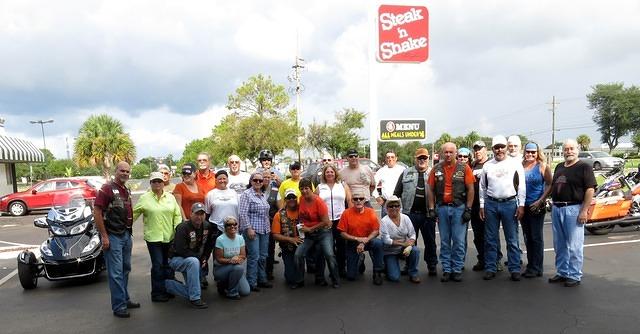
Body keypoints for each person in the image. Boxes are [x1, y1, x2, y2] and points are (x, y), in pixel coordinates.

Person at [549, 139, 596, 287]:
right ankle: (562, 272)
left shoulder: (584, 167)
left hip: (574, 209)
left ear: (577, 149)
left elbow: (590, 189)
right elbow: (552, 186)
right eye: (566, 149)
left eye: (571, 148)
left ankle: (574, 275)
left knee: (574, 245)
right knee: (560, 244)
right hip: (557, 209)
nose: (569, 151)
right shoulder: (559, 167)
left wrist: (584, 210)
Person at [94, 162, 138, 318]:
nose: (125, 173)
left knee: (125, 269)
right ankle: (119, 306)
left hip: (126, 234)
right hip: (113, 235)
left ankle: (125, 299)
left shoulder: (126, 189)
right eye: (122, 171)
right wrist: (104, 236)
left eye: (127, 171)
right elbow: (97, 212)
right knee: (116, 273)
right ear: (115, 171)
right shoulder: (106, 189)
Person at [479, 135, 526, 281]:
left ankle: (514, 268)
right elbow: (482, 187)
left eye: (502, 147)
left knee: (512, 239)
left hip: (510, 203)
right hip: (491, 204)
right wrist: (482, 205)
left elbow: (522, 186)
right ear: (492, 149)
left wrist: (521, 205)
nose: (499, 150)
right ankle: (491, 267)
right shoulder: (488, 165)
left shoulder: (515, 163)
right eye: (496, 147)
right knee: (490, 238)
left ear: (506, 147)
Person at [428, 142, 475, 282]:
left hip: (459, 208)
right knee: (444, 241)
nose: (448, 154)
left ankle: (457, 268)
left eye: (451, 152)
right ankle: (447, 269)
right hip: (442, 208)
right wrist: (431, 208)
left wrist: (468, 208)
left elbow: (471, 189)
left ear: (455, 153)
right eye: (445, 152)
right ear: (441, 153)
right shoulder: (436, 169)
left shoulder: (464, 168)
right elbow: (430, 189)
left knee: (459, 241)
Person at [133, 172, 182, 302]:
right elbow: (134, 213)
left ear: (163, 183)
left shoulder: (170, 197)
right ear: (150, 183)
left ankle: (169, 289)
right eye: (154, 181)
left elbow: (177, 214)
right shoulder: (145, 198)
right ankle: (157, 293)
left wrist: (177, 228)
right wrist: (124, 227)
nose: (157, 184)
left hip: (169, 236)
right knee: (158, 265)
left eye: (159, 181)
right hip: (153, 238)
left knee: (169, 264)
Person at [393, 147, 438, 276]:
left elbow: (439, 194)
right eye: (420, 158)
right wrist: (395, 213)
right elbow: (397, 193)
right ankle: (409, 265)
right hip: (409, 214)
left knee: (430, 242)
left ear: (428, 158)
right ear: (415, 159)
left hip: (428, 214)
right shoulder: (406, 173)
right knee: (409, 242)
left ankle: (432, 265)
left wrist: (436, 211)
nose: (422, 160)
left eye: (424, 158)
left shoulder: (434, 172)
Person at [165, 203, 215, 309]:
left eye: (202, 214)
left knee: (193, 288)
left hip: (194, 259)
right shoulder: (183, 227)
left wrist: (205, 257)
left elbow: (209, 245)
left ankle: (168, 285)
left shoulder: (207, 226)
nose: (199, 217)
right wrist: (199, 258)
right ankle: (195, 299)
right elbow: (180, 249)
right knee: (193, 262)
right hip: (176, 258)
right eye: (196, 214)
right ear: (190, 214)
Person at [294, 178, 341, 288]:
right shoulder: (301, 199)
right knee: (298, 254)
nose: (304, 191)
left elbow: (326, 222)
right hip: (308, 234)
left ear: (311, 188)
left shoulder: (318, 201)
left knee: (329, 255)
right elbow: (301, 216)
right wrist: (301, 227)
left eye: (306, 188)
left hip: (323, 232)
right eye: (302, 189)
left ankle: (335, 279)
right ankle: (299, 280)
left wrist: (310, 229)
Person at [338, 189, 384, 285]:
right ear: (352, 201)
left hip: (368, 240)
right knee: (351, 276)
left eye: (361, 198)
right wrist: (357, 239)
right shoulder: (346, 213)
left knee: (378, 243)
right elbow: (342, 233)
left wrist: (364, 241)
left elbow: (376, 231)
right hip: (353, 242)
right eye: (356, 198)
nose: (358, 200)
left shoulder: (371, 212)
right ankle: (360, 258)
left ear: (364, 200)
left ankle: (377, 272)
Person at [521, 142, 553, 278]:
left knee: (536, 237)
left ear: (537, 153)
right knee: (527, 237)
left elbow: (550, 183)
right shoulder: (520, 165)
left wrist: (541, 200)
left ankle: (537, 267)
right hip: (523, 206)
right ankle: (531, 265)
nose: (530, 154)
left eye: (533, 152)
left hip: (536, 207)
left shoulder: (542, 166)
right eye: (528, 152)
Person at [202, 170, 239, 288]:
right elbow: (207, 214)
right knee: (219, 256)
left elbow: (238, 211)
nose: (222, 180)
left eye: (224, 178)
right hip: (217, 228)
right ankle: (220, 280)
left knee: (232, 253)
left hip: (233, 228)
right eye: (220, 178)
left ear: (228, 179)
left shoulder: (234, 193)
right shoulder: (210, 194)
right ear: (216, 180)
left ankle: (232, 278)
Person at [469, 141, 502, 272]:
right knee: (478, 236)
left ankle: (496, 260)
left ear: (485, 150)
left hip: (489, 204)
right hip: (475, 205)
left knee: (491, 235)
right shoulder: (472, 166)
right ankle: (482, 259)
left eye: (480, 149)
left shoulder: (491, 164)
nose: (477, 151)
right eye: (475, 149)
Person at [315, 164, 352, 278]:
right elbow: (314, 203)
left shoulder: (342, 185)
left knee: (341, 246)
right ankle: (332, 271)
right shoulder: (320, 187)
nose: (330, 174)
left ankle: (341, 269)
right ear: (324, 174)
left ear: (335, 173)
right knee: (328, 248)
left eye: (332, 172)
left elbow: (349, 201)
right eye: (327, 172)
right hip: (326, 222)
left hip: (340, 220)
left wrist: (349, 218)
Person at [238, 172, 272, 291]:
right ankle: (252, 282)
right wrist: (248, 228)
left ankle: (262, 279)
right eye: (255, 180)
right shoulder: (246, 195)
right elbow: (243, 213)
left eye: (260, 181)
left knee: (263, 256)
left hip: (265, 230)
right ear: (251, 181)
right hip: (253, 230)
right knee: (254, 256)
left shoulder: (262, 195)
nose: (258, 182)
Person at [379, 196, 421, 283]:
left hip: (403, 249)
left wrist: (410, 243)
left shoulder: (405, 218)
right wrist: (404, 244)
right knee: (394, 277)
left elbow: (412, 234)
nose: (394, 208)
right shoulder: (384, 221)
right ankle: (386, 266)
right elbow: (386, 240)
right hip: (390, 251)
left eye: (396, 205)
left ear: (400, 207)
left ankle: (413, 273)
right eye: (391, 206)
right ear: (387, 208)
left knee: (415, 250)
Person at [271, 188, 304, 288]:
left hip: (302, 245)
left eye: (293, 197)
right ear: (285, 199)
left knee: (299, 279)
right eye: (289, 198)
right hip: (287, 247)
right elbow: (275, 235)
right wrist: (291, 240)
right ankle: (291, 274)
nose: (291, 200)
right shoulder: (279, 215)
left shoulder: (302, 211)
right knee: (291, 279)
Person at [214, 216, 251, 299]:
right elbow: (219, 259)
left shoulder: (240, 238)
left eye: (235, 224)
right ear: (225, 227)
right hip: (221, 268)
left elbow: (243, 256)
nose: (232, 226)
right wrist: (231, 260)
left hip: (235, 267)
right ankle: (232, 292)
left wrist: (238, 258)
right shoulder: (220, 239)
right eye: (229, 224)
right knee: (239, 268)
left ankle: (226, 285)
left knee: (245, 291)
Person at [373, 150, 406, 217]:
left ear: (396, 158)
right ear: (385, 159)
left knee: (400, 225)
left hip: (399, 203)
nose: (390, 159)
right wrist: (377, 197)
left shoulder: (403, 170)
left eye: (392, 157)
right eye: (388, 157)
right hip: (386, 203)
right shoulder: (381, 171)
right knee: (386, 225)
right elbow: (372, 184)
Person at [262, 169, 280, 281]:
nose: (266, 179)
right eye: (264, 177)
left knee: (270, 248)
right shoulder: (254, 189)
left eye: (268, 177)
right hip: (258, 224)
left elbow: (280, 208)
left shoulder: (275, 190)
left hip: (271, 223)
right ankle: (259, 272)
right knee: (259, 251)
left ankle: (269, 271)